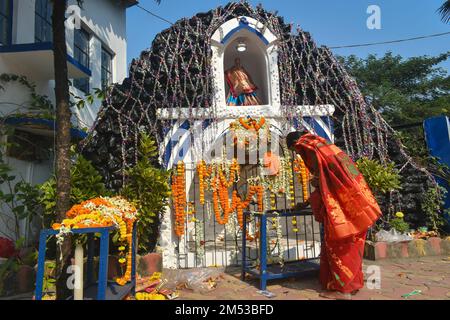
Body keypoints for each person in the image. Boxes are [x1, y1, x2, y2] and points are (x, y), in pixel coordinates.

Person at [286, 130, 382, 300]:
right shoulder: (329, 148)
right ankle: (350, 285)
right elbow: (334, 181)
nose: (299, 156)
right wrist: (309, 201)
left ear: (297, 145)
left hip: (342, 210)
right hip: (358, 203)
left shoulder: (312, 150)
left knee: (339, 247)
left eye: (296, 152)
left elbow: (327, 185)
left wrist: (316, 187)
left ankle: (343, 291)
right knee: (352, 246)